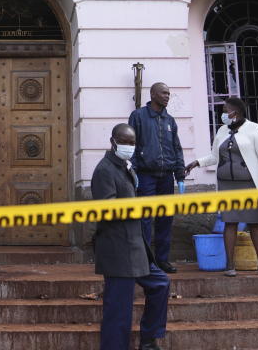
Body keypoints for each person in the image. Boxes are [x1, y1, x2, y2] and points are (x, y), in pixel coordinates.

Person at [92, 123, 170, 350]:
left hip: (136, 247)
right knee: (119, 311)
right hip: (117, 249)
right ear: (113, 141)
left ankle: (148, 339)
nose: (129, 146)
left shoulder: (125, 166)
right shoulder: (104, 170)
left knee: (160, 284)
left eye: (132, 143)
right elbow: (106, 210)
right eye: (124, 142)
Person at [184, 96, 258, 277]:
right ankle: (229, 265)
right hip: (227, 185)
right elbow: (214, 157)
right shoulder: (222, 131)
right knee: (230, 223)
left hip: (250, 185)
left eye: (225, 111)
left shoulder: (255, 130)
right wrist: (196, 162)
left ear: (236, 112)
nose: (223, 114)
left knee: (255, 223)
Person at [128, 82, 186, 273]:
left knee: (165, 219)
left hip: (166, 178)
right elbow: (131, 146)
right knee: (144, 220)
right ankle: (145, 261)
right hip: (146, 176)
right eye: (163, 93)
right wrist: (133, 172)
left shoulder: (170, 120)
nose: (167, 96)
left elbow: (176, 148)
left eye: (169, 93)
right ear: (153, 94)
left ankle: (162, 260)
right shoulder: (138, 116)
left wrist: (180, 175)